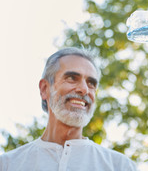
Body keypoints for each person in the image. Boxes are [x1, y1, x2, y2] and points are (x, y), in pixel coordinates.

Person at [0, 47, 137, 171]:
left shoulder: (121, 166)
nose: (84, 89)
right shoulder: (7, 164)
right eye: (72, 78)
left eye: (91, 83)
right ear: (44, 89)